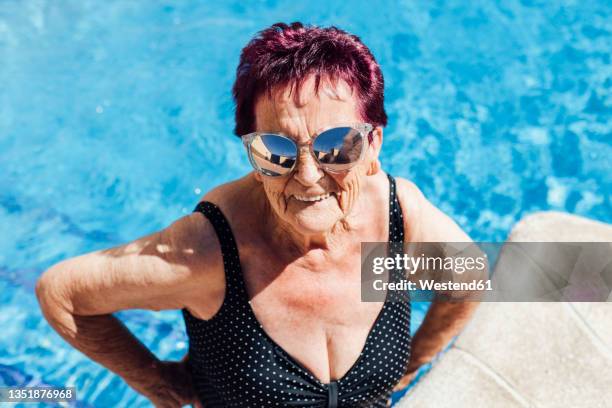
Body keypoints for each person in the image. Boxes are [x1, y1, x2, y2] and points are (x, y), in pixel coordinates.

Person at [36, 22, 480, 407]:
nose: (307, 176)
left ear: (373, 146)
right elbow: (61, 294)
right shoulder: (209, 253)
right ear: (251, 152)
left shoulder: (397, 222)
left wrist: (413, 365)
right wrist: (154, 379)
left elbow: (471, 277)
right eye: (277, 150)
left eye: (337, 145)